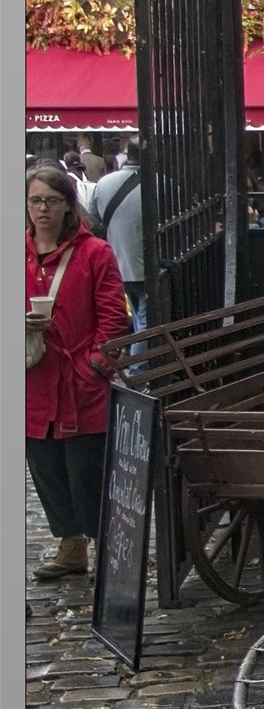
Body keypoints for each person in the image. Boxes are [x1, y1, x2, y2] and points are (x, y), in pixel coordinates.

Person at [26, 162, 129, 579]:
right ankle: (71, 545)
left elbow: (113, 318)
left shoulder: (95, 253)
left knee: (85, 468)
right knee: (46, 466)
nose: (43, 209)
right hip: (34, 376)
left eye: (52, 201)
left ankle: (104, 543)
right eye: (35, 201)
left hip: (81, 378)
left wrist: (96, 366)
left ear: (69, 206)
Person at [90, 139, 146, 329]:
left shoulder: (103, 183)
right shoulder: (162, 183)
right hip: (148, 265)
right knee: (147, 323)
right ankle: (138, 360)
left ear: (127, 153)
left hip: (115, 262)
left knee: (138, 317)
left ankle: (133, 356)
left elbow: (93, 220)